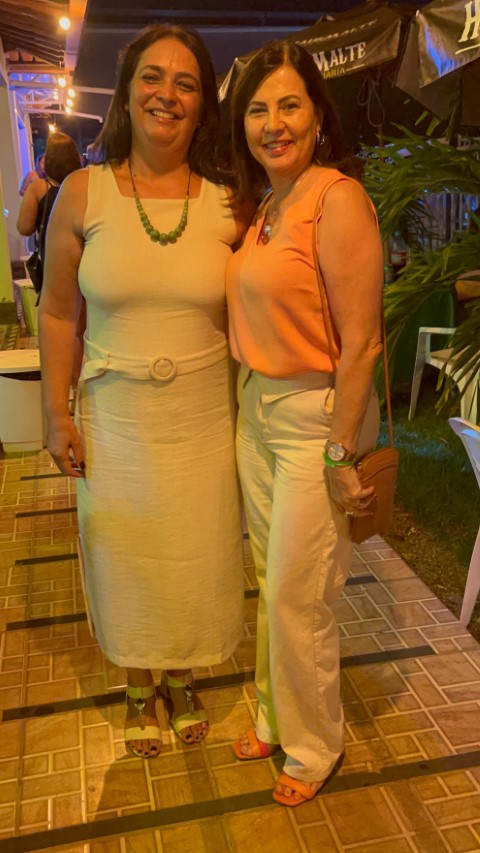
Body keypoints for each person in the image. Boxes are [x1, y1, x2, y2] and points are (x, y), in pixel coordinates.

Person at [39, 24, 248, 759]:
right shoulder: (82, 192)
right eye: (152, 77)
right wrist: (55, 412)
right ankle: (137, 679)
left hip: (203, 417)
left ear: (203, 105)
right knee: (124, 552)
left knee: (194, 553)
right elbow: (58, 312)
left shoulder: (228, 202)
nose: (167, 94)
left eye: (186, 83)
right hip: (115, 416)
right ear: (127, 93)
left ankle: (183, 674)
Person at [226, 41, 383, 806]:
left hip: (314, 417)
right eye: (258, 109)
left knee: (299, 593)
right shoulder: (267, 204)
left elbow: (364, 342)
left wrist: (341, 452)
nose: (273, 123)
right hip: (256, 408)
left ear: (319, 117)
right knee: (272, 582)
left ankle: (315, 743)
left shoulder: (335, 197)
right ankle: (272, 711)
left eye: (289, 105)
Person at [17, 133, 84, 388]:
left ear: (48, 159)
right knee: (82, 328)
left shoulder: (39, 188)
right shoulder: (83, 186)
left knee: (58, 327)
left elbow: (24, 227)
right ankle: (82, 384)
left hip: (53, 266)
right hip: (85, 262)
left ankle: (67, 386)